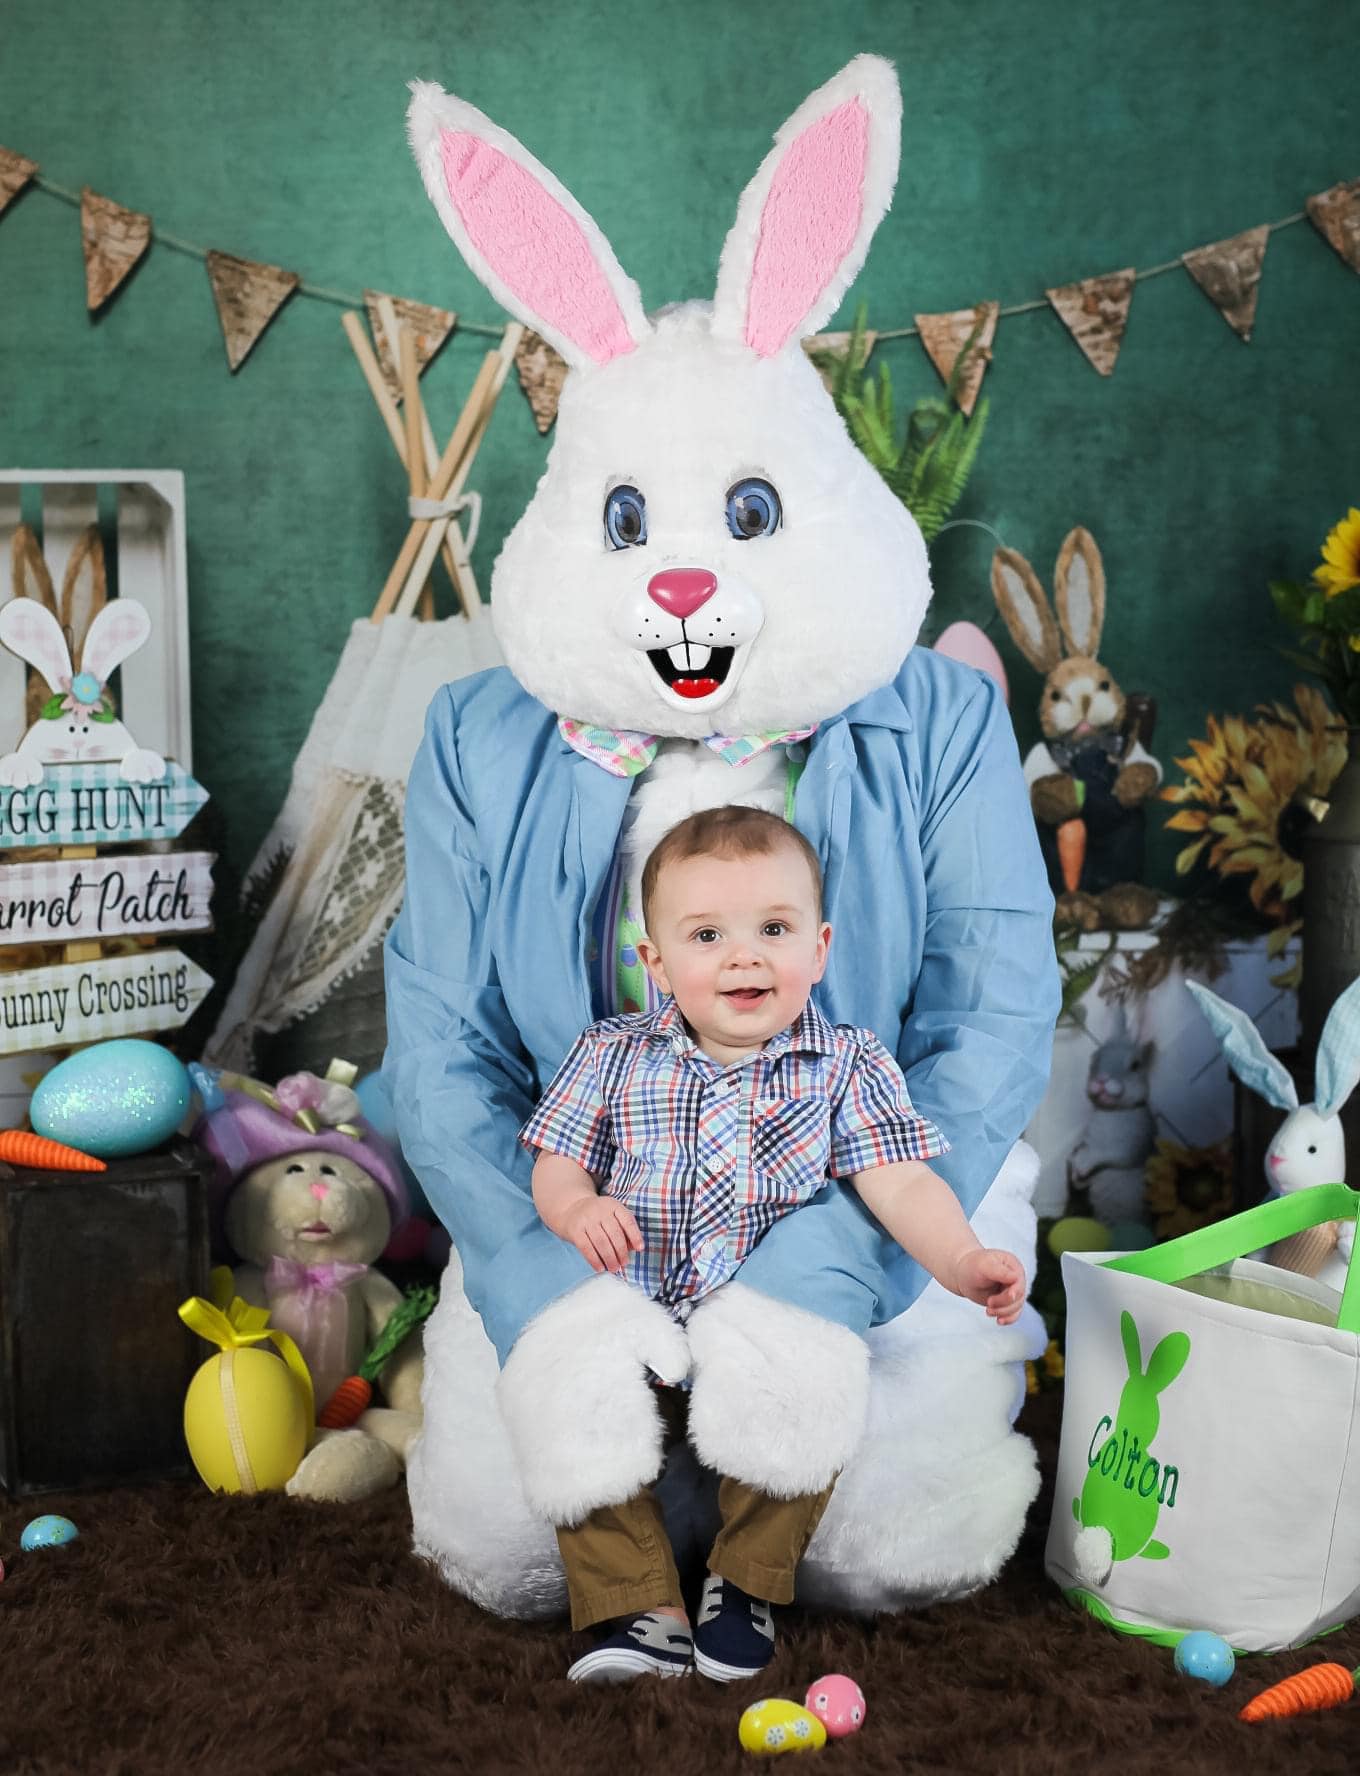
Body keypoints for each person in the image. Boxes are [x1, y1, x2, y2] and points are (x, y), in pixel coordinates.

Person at [521, 805, 1026, 1682]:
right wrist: (572, 1210)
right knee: (561, 1386)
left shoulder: (845, 1064)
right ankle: (636, 1605)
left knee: (812, 1385)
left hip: (757, 1322)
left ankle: (743, 1581)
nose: (744, 955)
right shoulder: (610, 1054)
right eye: (708, 933)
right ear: (656, 963)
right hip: (639, 1309)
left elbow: (900, 1182)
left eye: (774, 929)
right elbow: (557, 1164)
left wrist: (960, 1259)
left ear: (820, 949)